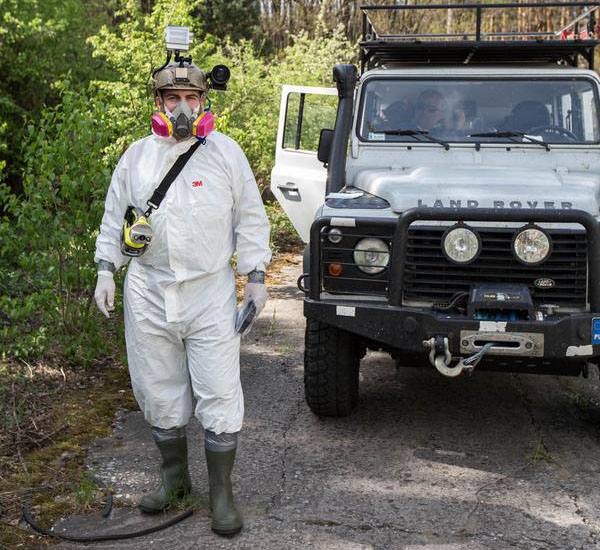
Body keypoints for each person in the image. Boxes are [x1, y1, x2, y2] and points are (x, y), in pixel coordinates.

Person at [93, 60, 271, 536]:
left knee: (219, 389)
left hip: (210, 291)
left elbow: (251, 218)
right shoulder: (136, 157)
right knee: (157, 387)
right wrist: (106, 269)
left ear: (204, 103)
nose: (183, 108)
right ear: (158, 105)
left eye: (192, 99)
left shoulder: (225, 155)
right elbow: (115, 216)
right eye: (173, 99)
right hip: (149, 290)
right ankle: (173, 481)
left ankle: (221, 495)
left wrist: (255, 276)